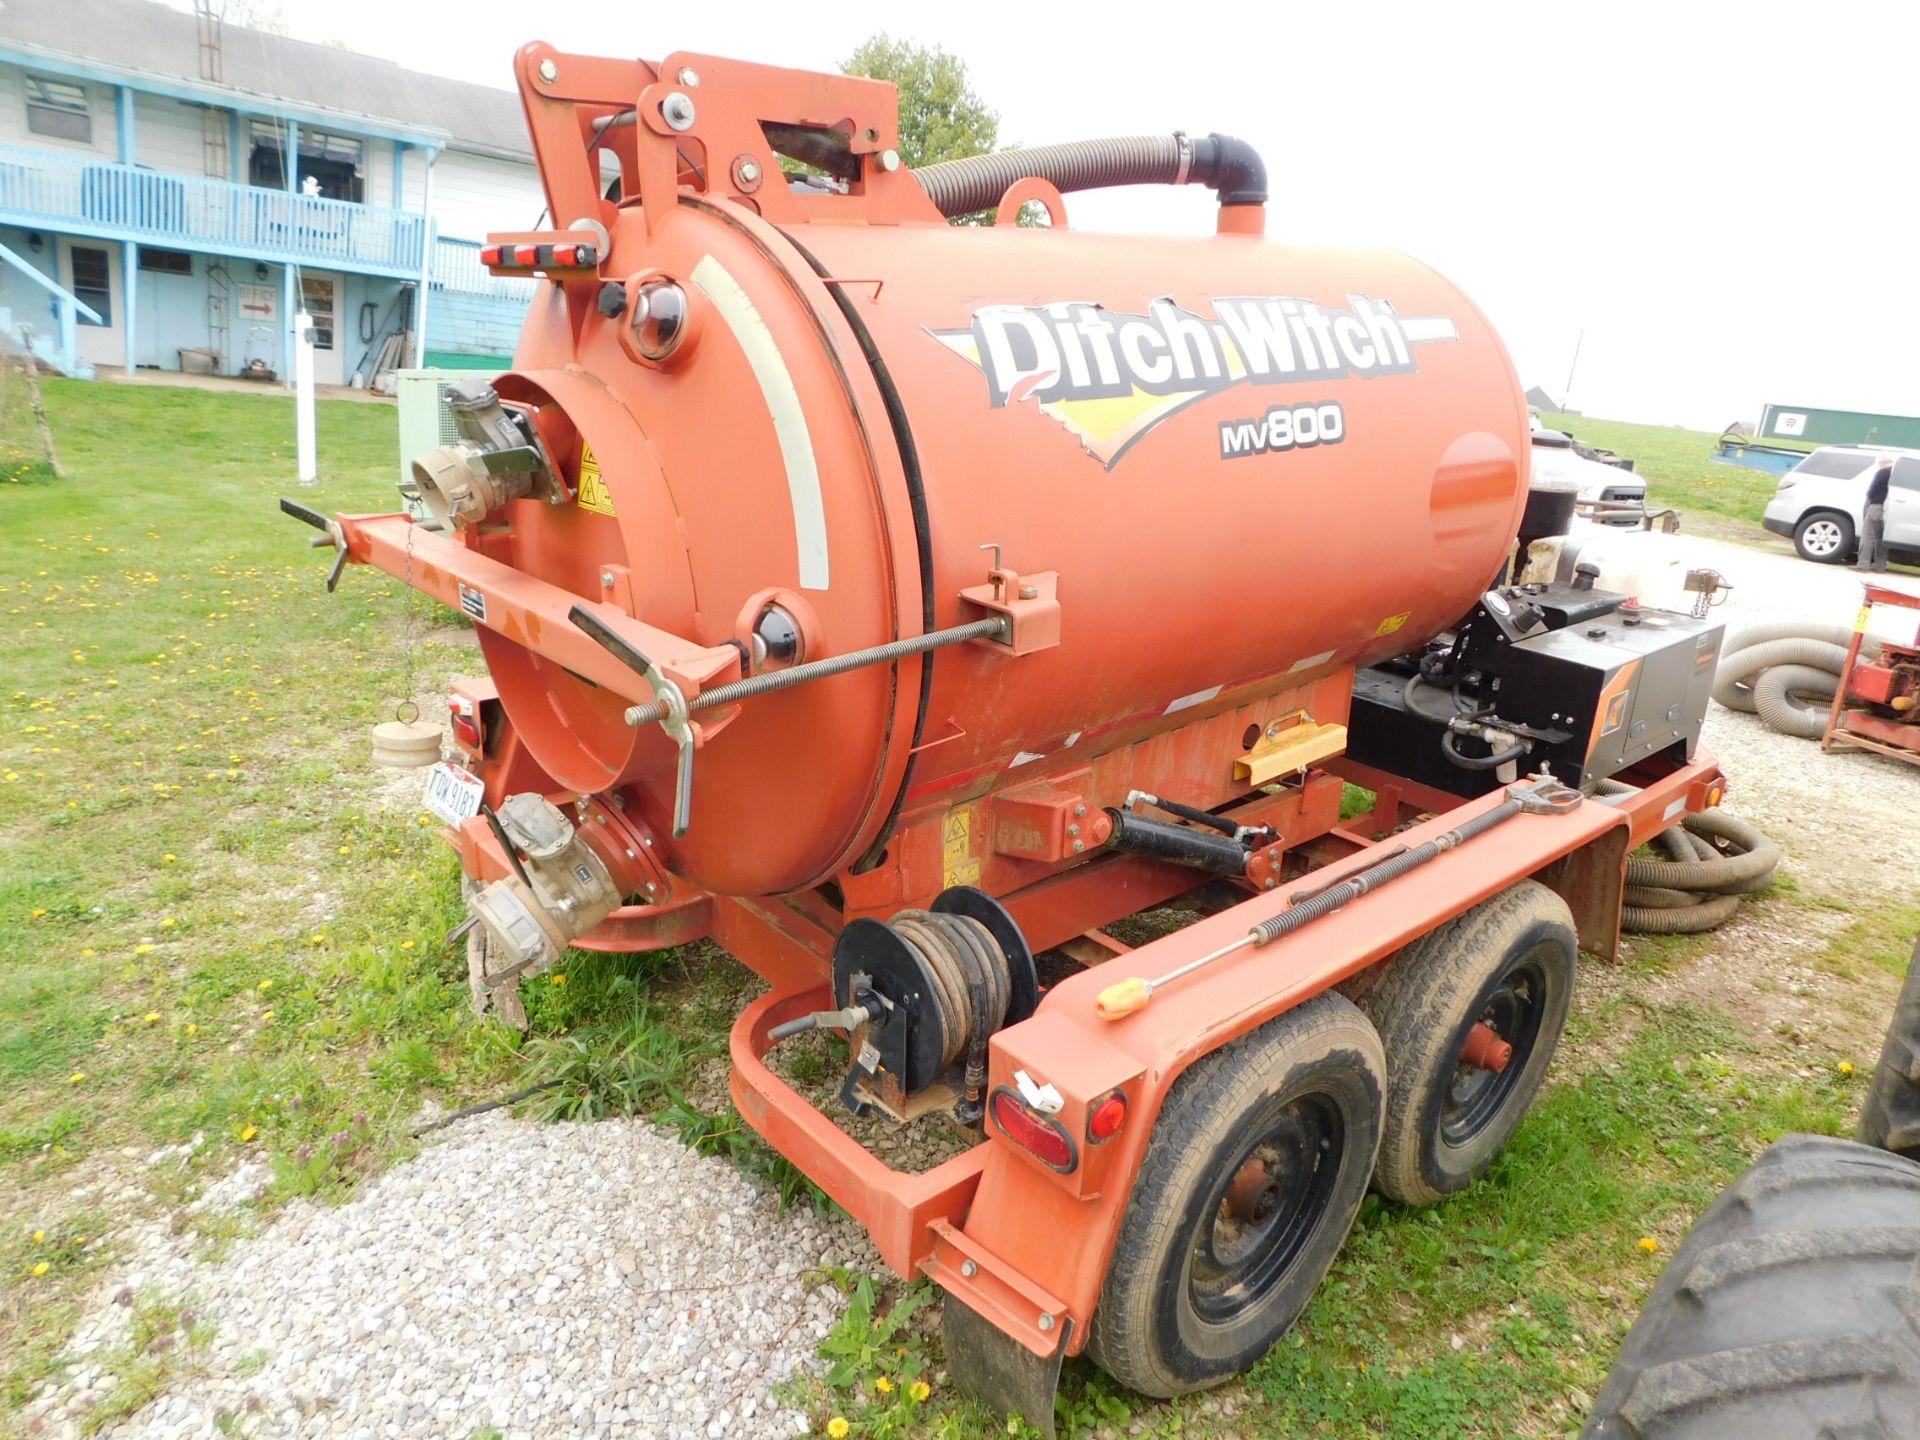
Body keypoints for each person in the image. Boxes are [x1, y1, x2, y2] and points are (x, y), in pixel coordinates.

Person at [1857, 455, 1892, 572]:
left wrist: (1870, 499)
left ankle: (1863, 564)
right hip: (1891, 509)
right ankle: (1880, 566)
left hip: (1876, 506)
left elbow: (1872, 490)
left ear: (1882, 462)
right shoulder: (1897, 474)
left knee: (1868, 536)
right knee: (1882, 539)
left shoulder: (1882, 472)